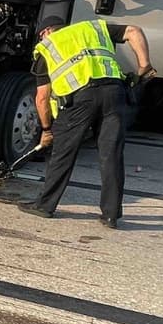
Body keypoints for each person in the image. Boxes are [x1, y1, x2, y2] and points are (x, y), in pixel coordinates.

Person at [17, 16, 154, 228]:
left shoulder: (47, 47)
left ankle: (44, 206)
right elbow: (134, 31)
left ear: (45, 32)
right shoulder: (92, 30)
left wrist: (46, 129)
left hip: (79, 101)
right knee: (111, 155)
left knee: (63, 154)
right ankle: (111, 215)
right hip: (114, 94)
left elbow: (42, 98)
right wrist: (144, 66)